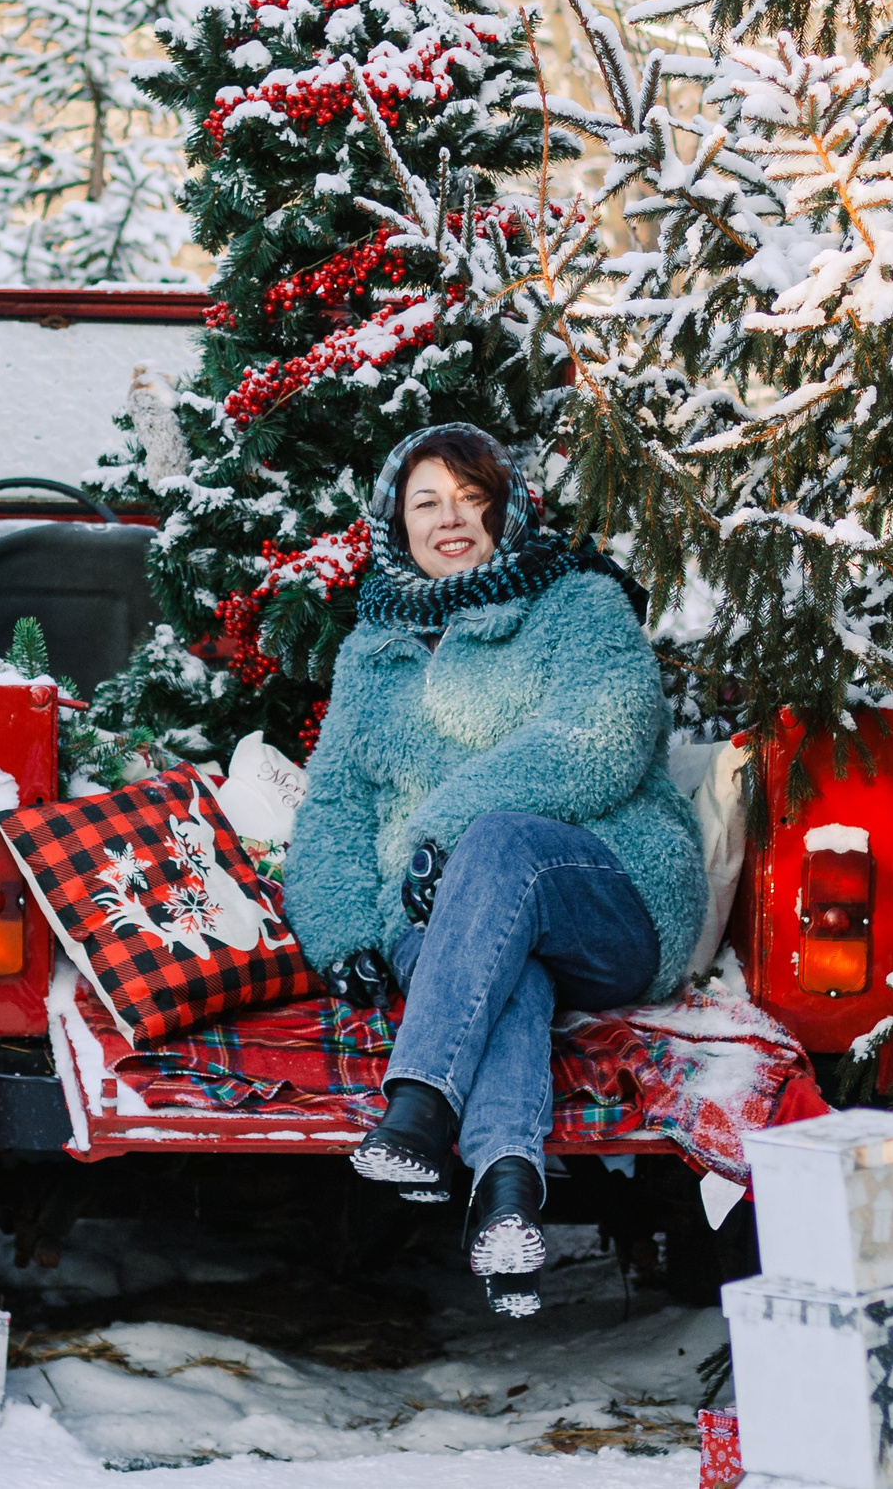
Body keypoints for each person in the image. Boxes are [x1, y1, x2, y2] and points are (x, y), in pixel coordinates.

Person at [286, 423, 705, 1318]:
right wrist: (344, 934)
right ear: (395, 522)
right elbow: (334, 809)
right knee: (501, 965)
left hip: (603, 894)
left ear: (505, 511)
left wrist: (448, 826)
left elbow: (605, 734)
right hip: (441, 921)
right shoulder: (370, 654)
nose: (450, 519)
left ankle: (418, 1108)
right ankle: (508, 1195)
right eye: (426, 502)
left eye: (471, 499)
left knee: (498, 845)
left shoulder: (577, 604)